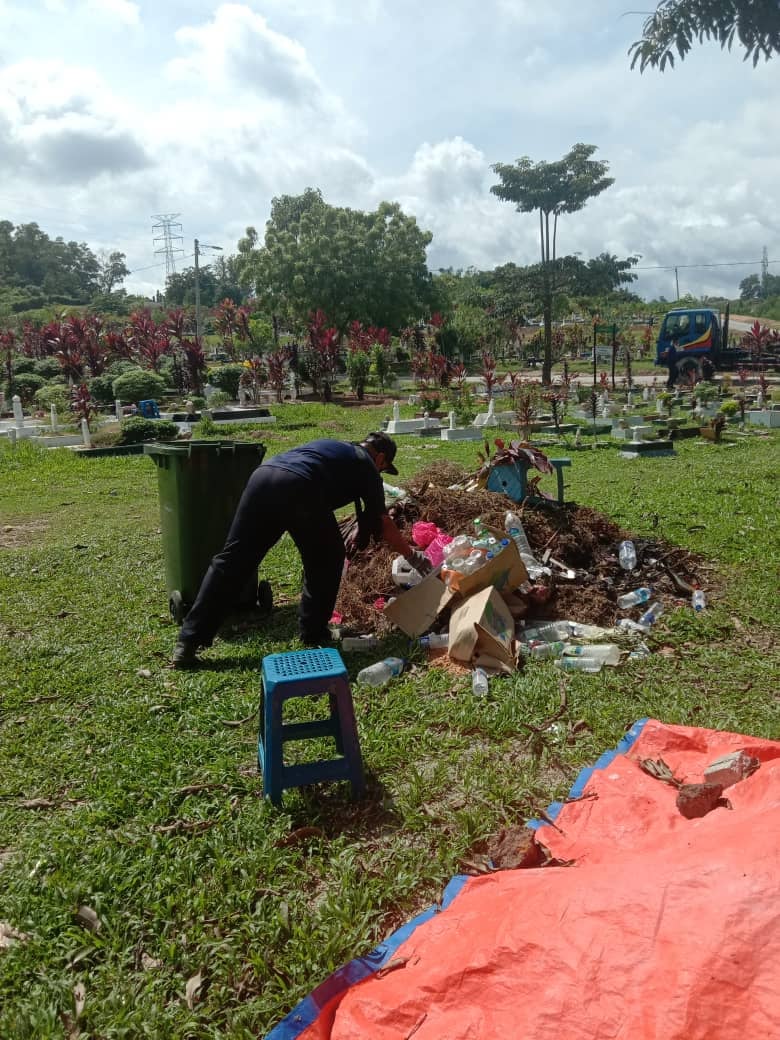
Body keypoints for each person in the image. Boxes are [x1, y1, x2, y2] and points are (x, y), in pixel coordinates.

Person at [171, 432, 431, 668]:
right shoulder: (366, 465)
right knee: (327, 559)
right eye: (384, 468)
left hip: (263, 477)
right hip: (300, 486)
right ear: (381, 457)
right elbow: (384, 523)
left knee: (232, 562)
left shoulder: (334, 447)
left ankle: (188, 641)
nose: (381, 473)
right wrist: (411, 556)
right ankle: (314, 632)